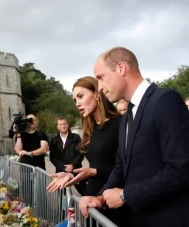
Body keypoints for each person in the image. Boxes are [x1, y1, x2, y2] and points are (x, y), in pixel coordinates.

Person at [79, 47, 189, 226]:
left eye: (101, 77)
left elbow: (180, 169)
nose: (99, 88)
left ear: (121, 68)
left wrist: (125, 195)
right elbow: (121, 166)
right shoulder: (128, 115)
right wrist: (100, 197)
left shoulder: (165, 100)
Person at [47, 76, 128, 226]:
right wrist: (72, 174)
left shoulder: (121, 124)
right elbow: (94, 166)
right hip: (91, 200)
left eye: (80, 96)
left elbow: (125, 168)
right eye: (75, 100)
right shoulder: (91, 129)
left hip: (112, 199)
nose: (77, 103)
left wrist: (94, 172)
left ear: (97, 94)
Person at [49, 117, 85, 194]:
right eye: (60, 124)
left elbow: (81, 153)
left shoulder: (76, 137)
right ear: (57, 127)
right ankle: (65, 206)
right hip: (61, 171)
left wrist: (72, 165)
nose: (63, 126)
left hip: (76, 169)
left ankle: (89, 205)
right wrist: (63, 167)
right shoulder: (54, 140)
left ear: (68, 125)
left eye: (64, 124)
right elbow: (53, 157)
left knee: (84, 192)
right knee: (62, 195)